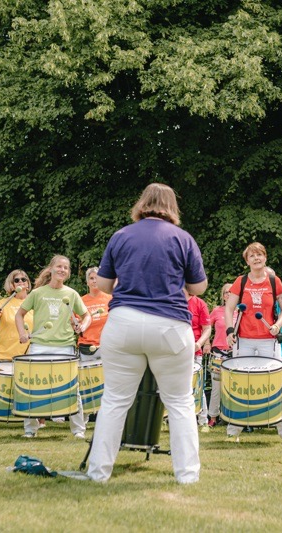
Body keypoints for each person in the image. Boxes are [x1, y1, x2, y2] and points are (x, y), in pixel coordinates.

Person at [86, 183, 207, 484]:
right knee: (179, 402)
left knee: (115, 400)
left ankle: (98, 472)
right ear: (172, 207)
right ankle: (187, 476)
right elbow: (198, 287)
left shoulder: (121, 235)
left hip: (124, 322)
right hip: (170, 326)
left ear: (141, 204)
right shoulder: (183, 238)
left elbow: (103, 284)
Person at [223, 242, 282, 445]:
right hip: (244, 341)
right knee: (239, 384)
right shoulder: (241, 281)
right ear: (247, 261)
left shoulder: (274, 281)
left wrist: (278, 325)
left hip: (268, 342)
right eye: (252, 256)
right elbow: (229, 308)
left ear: (265, 258)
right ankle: (233, 431)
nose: (256, 258)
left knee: (276, 384)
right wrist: (229, 331)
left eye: (259, 255)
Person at [15, 255, 91, 439]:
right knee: (32, 388)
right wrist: (22, 333)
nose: (62, 270)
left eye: (66, 267)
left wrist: (82, 326)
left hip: (65, 347)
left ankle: (78, 430)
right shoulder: (37, 293)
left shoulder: (71, 294)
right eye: (59, 266)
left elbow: (87, 315)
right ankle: (30, 429)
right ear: (51, 269)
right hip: (39, 346)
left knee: (72, 389)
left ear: (68, 272)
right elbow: (19, 314)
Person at [0, 269, 34, 428]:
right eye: (16, 280)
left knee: (29, 387)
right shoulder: (4, 302)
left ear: (28, 284)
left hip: (27, 353)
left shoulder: (34, 302)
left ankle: (37, 419)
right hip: (5, 351)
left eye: (24, 279)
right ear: (11, 285)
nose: (21, 282)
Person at [204, 283, 236, 428]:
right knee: (216, 387)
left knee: (233, 387)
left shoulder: (240, 312)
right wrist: (206, 343)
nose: (229, 294)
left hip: (235, 353)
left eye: (232, 292)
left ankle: (231, 417)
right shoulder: (216, 311)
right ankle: (213, 417)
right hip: (218, 352)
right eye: (226, 292)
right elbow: (206, 328)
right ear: (223, 296)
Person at [185, 287, 212, 430]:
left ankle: (203, 420)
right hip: (175, 351)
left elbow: (207, 328)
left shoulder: (200, 303)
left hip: (195, 351)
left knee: (197, 387)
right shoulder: (173, 299)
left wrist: (199, 344)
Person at [77, 267, 111, 356]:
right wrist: (77, 325)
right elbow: (74, 324)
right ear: (87, 282)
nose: (95, 281)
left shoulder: (111, 299)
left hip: (107, 346)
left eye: (97, 278)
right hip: (86, 347)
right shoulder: (80, 301)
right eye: (91, 278)